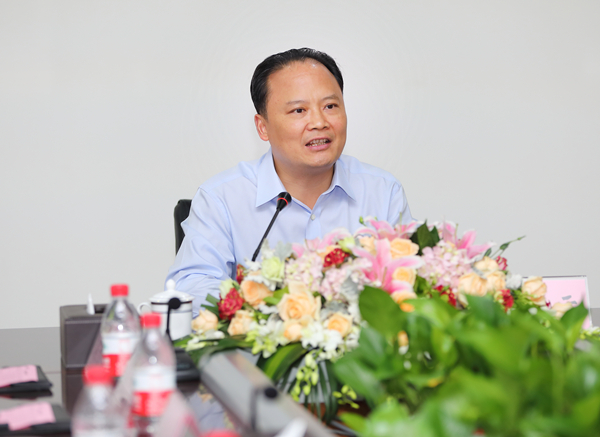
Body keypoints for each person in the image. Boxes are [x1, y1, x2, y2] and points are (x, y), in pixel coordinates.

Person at [166, 48, 414, 316]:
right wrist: (277, 307)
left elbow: (412, 283)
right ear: (263, 127)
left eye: (330, 106)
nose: (319, 122)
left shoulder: (383, 192)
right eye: (299, 110)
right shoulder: (221, 198)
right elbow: (192, 287)